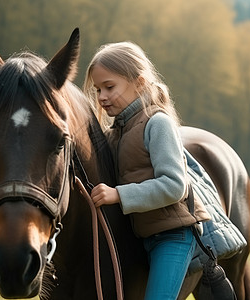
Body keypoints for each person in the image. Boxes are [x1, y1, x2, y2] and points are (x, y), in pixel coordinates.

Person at [83, 41, 211, 300]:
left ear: (139, 83)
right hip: (141, 234)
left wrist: (119, 195)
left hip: (172, 237)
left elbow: (175, 186)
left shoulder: (157, 123)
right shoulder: (115, 134)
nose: (102, 97)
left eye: (109, 87)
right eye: (97, 90)